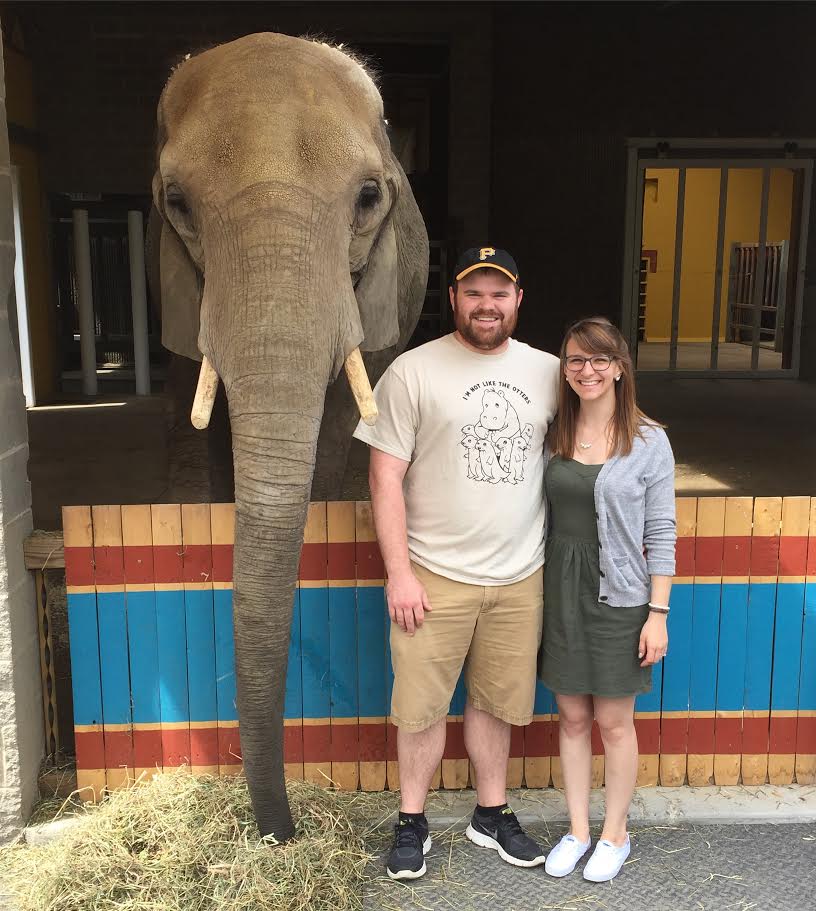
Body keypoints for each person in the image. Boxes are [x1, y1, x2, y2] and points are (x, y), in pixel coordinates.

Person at [354, 247, 560, 880]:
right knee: (420, 708)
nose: (486, 305)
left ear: (518, 299)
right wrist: (399, 572)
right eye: (474, 293)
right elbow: (384, 477)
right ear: (453, 299)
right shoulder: (412, 372)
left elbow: (599, 435)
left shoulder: (551, 372)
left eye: (499, 293)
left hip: (520, 574)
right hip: (432, 574)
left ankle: (491, 814)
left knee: (497, 703)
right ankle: (411, 820)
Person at [539, 316, 676, 883]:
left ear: (620, 367)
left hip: (620, 596)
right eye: (576, 359)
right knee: (572, 717)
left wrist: (657, 614)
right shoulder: (552, 432)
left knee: (614, 723)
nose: (587, 370)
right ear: (565, 368)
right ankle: (577, 830)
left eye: (600, 359)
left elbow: (661, 532)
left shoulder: (649, 441)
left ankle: (615, 834)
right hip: (559, 591)